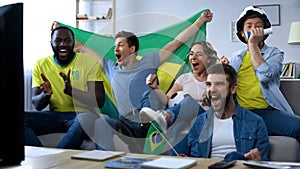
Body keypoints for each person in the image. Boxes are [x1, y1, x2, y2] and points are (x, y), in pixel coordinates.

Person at [94, 10, 213, 153]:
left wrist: (200, 21)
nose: (115, 49)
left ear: (132, 49)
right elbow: (82, 48)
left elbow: (176, 43)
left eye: (120, 45)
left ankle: (158, 122)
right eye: (114, 46)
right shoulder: (111, 68)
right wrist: (62, 31)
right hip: (127, 123)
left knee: (148, 93)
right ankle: (103, 162)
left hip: (151, 121)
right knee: (102, 122)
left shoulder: (149, 61)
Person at [221, 6, 300, 140]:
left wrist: (253, 44)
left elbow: (264, 77)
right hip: (242, 112)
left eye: (258, 26)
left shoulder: (275, 53)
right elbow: (228, 85)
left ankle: (258, 129)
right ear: (242, 33)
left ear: (263, 31)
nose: (253, 29)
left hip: (266, 111)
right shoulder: (236, 56)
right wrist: (223, 69)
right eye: (249, 26)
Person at [24, 26, 105, 149]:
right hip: (54, 116)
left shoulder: (90, 62)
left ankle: (58, 156)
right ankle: (41, 155)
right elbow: (37, 105)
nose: (63, 44)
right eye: (58, 41)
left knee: (86, 118)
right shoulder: (41, 64)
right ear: (51, 43)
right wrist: (46, 94)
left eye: (68, 41)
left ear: (73, 43)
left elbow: (99, 101)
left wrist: (71, 91)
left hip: (81, 115)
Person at [185, 63, 269, 161]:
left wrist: (257, 160)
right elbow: (195, 159)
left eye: (219, 84)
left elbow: (263, 160)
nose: (212, 90)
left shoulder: (255, 122)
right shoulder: (198, 123)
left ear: (233, 88)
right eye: (209, 84)